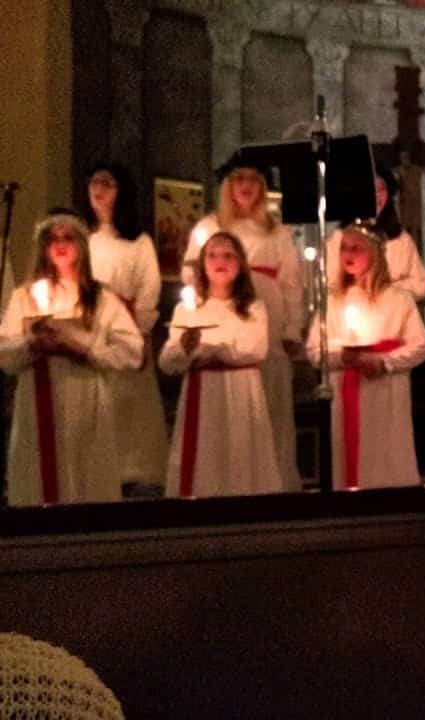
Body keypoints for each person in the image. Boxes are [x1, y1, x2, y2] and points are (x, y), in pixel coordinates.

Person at [0, 211, 143, 506]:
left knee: (83, 471)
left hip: (85, 396)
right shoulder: (23, 297)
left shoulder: (101, 298)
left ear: (81, 244)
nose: (60, 244)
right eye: (52, 239)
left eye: (68, 237)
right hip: (37, 398)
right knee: (39, 473)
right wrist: (32, 343)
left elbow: (131, 350)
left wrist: (84, 350)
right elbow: (5, 355)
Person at [184, 154, 303, 489]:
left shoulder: (276, 231)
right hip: (222, 313)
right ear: (228, 186)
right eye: (239, 179)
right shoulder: (209, 228)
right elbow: (191, 272)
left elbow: (292, 282)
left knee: (271, 401)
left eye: (253, 179)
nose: (246, 186)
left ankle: (275, 479)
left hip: (269, 314)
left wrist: (293, 327)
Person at [308, 222, 425, 490]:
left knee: (384, 452)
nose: (348, 254)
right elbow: (314, 350)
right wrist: (344, 358)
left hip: (384, 391)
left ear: (374, 253)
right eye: (343, 248)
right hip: (344, 391)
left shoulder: (399, 298)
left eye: (356, 248)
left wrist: (384, 361)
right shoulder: (333, 300)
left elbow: (422, 346)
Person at [160, 231, 280, 498]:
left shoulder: (252, 308)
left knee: (240, 453)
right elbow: (168, 361)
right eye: (212, 255)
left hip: (240, 394)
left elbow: (254, 349)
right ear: (202, 263)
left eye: (228, 255)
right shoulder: (188, 309)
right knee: (204, 455)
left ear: (240, 264)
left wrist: (212, 349)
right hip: (202, 395)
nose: (219, 261)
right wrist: (186, 347)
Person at [80, 162, 168, 488]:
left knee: (130, 410)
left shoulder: (137, 242)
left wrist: (138, 326)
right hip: (88, 331)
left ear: (122, 192)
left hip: (126, 330)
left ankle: (133, 474)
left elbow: (149, 289)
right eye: (94, 182)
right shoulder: (82, 239)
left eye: (107, 183)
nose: (98, 190)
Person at [325, 164, 425, 302]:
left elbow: (422, 284)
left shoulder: (400, 238)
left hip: (394, 314)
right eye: (369, 189)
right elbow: (331, 283)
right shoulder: (340, 238)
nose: (376, 196)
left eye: (381, 189)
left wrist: (388, 290)